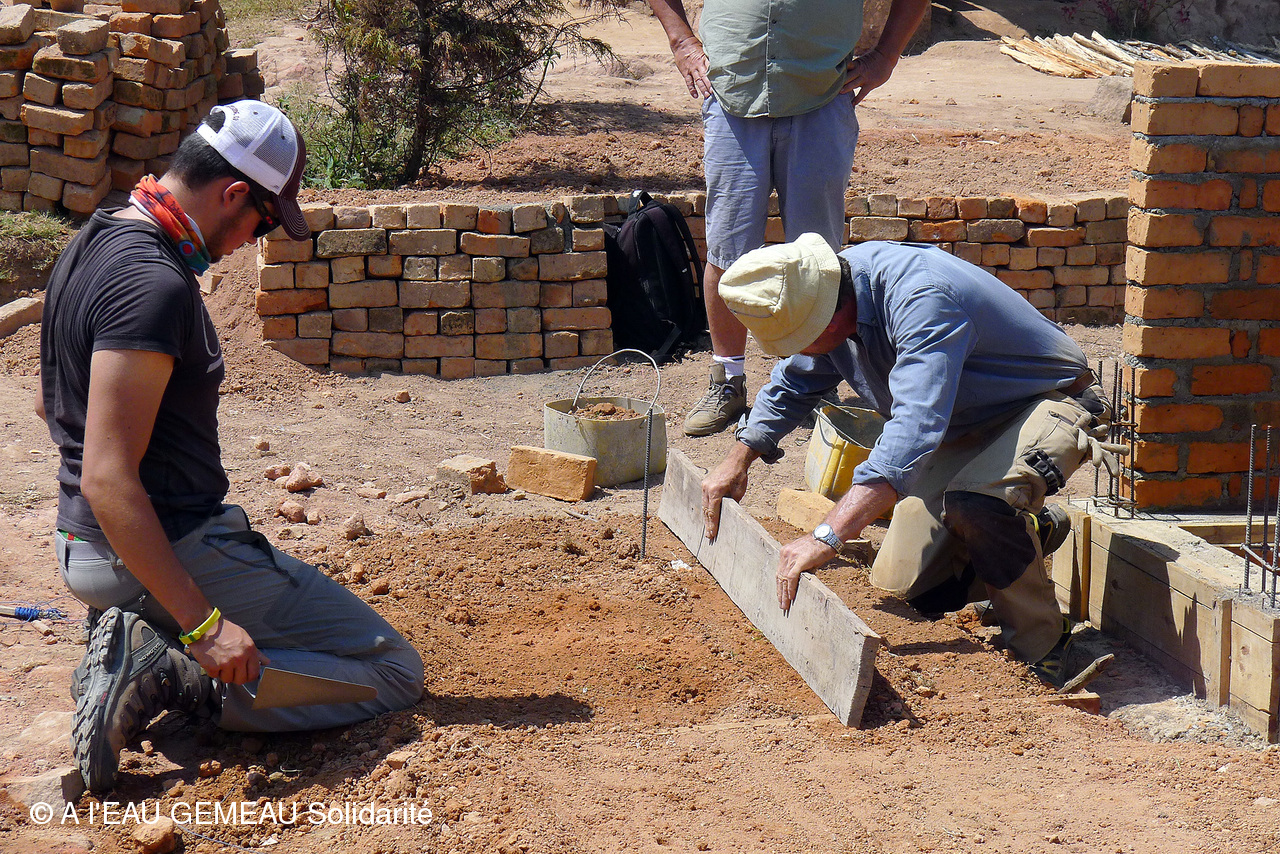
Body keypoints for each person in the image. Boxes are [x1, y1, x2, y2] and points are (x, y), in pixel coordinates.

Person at [38, 101, 425, 792]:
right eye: (263, 220)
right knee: (394, 671)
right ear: (233, 193)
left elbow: (52, 406)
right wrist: (204, 626)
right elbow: (106, 476)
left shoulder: (92, 239)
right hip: (159, 542)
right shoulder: (151, 284)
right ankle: (169, 669)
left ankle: (138, 628)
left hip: (83, 545)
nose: (253, 240)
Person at [700, 234, 1124, 686]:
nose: (802, 351)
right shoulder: (825, 292)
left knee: (978, 505)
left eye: (803, 340)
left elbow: (913, 431)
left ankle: (1045, 645)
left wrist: (827, 535)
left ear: (829, 317)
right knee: (914, 592)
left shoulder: (923, 299)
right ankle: (1029, 532)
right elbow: (793, 384)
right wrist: (739, 457)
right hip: (963, 423)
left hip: (1047, 401)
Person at [646, 0, 930, 436]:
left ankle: (814, 385)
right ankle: (727, 381)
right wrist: (682, 40)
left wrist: (886, 56)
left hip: (822, 93)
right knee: (728, 250)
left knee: (819, 260)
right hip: (733, 92)